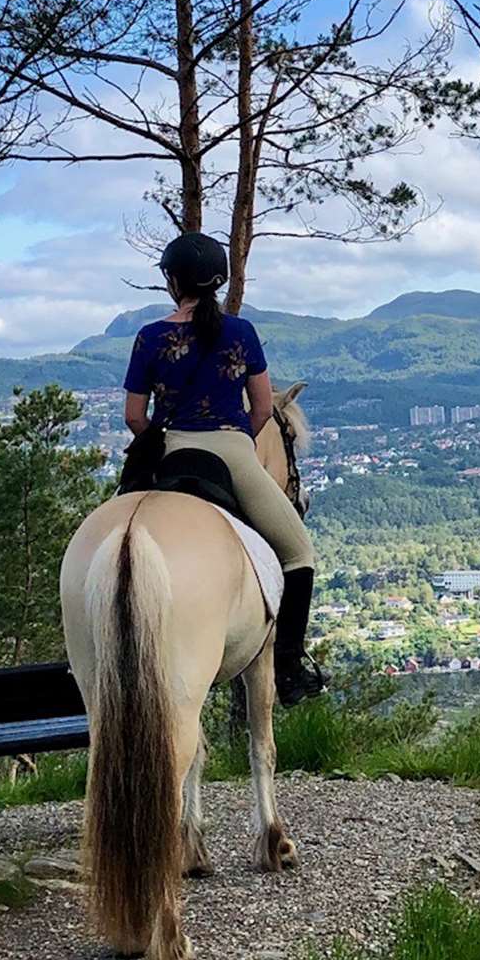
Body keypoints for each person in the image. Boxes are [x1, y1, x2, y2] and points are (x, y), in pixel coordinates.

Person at [123, 232, 325, 705]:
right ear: (218, 282)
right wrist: (236, 440)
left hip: (171, 449)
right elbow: (260, 408)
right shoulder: (241, 333)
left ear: (172, 282)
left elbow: (135, 418)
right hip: (233, 453)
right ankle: (289, 668)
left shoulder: (150, 337)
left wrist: (162, 440)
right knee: (299, 554)